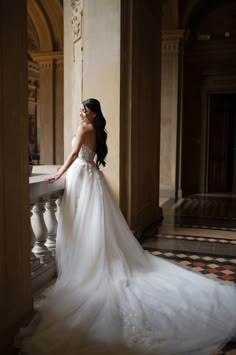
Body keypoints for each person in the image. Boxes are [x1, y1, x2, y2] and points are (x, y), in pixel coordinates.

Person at [17, 98, 236, 355]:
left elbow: (74, 154)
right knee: (92, 224)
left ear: (94, 113)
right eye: (81, 110)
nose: (81, 113)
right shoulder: (97, 132)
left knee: (82, 223)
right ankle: (94, 260)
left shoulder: (84, 129)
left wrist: (60, 173)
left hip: (79, 175)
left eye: (85, 110)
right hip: (91, 177)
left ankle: (87, 265)